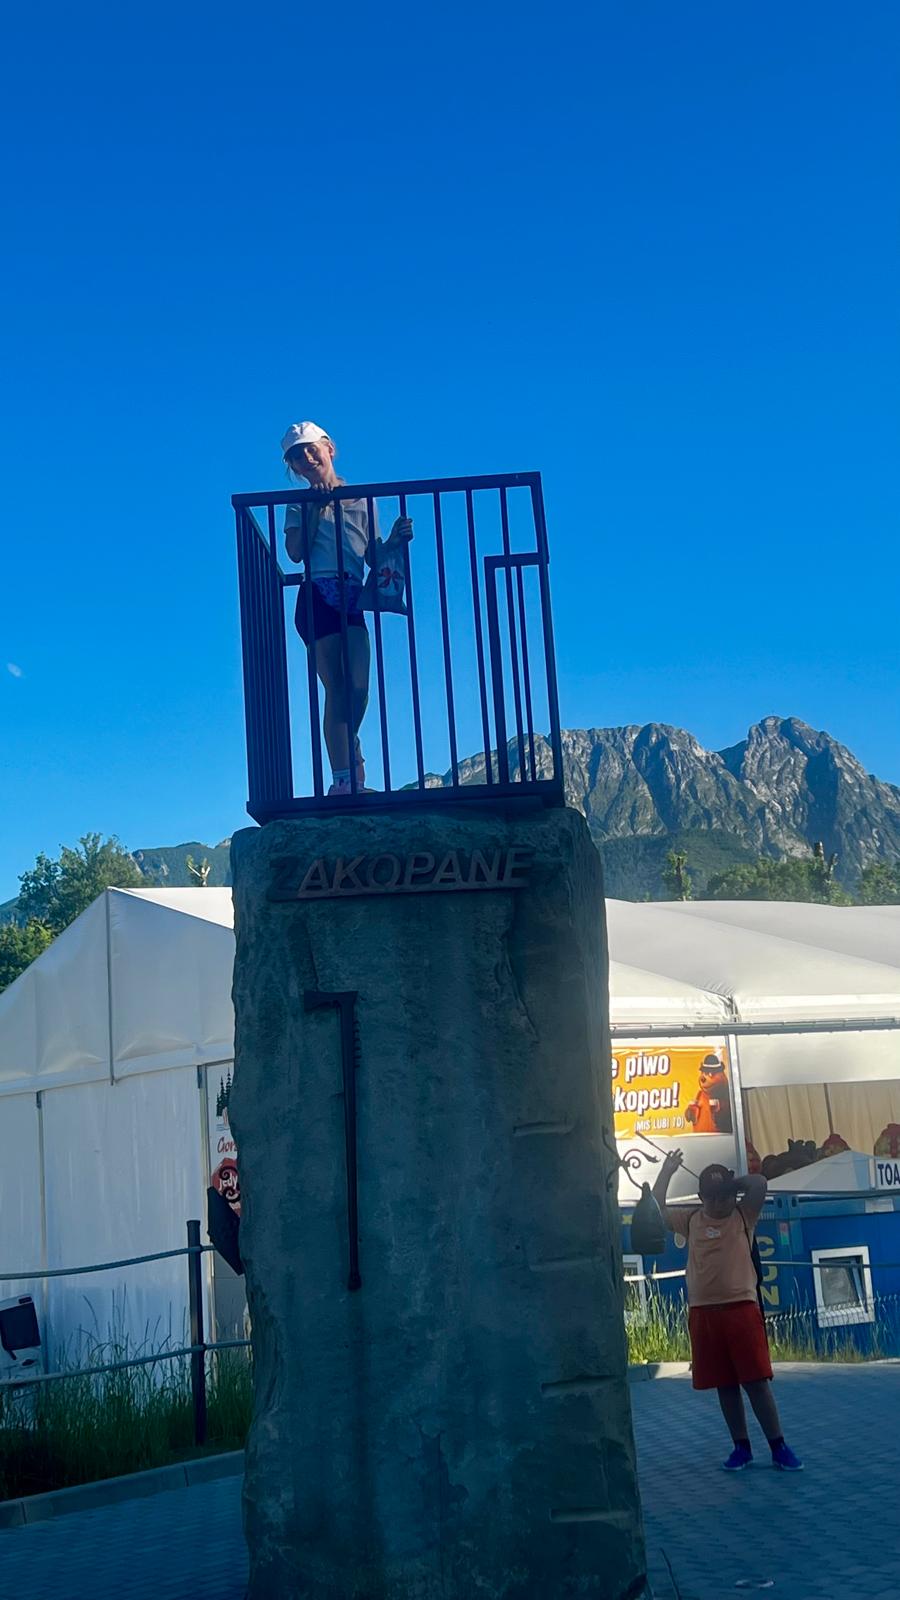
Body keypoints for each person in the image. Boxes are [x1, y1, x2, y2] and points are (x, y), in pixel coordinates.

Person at [281, 421, 412, 796]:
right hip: (316, 593)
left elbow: (371, 555)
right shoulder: (297, 503)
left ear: (329, 449)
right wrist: (314, 508)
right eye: (297, 456)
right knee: (336, 687)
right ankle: (343, 780)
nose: (307, 458)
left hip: (352, 594)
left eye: (311, 449)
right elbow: (296, 553)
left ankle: (348, 742)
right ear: (294, 468)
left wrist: (393, 541)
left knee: (358, 688)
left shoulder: (363, 500)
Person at [653, 1150, 803, 1472]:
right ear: (701, 1198)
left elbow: (759, 1183)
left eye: (725, 1196)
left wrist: (733, 1183)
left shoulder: (744, 1216)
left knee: (756, 1381)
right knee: (725, 1384)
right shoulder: (690, 1219)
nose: (719, 1203)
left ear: (734, 1195)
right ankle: (741, 1447)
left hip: (742, 1309)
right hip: (703, 1313)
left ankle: (778, 1445)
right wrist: (666, 1171)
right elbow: (657, 1207)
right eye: (712, 1196)